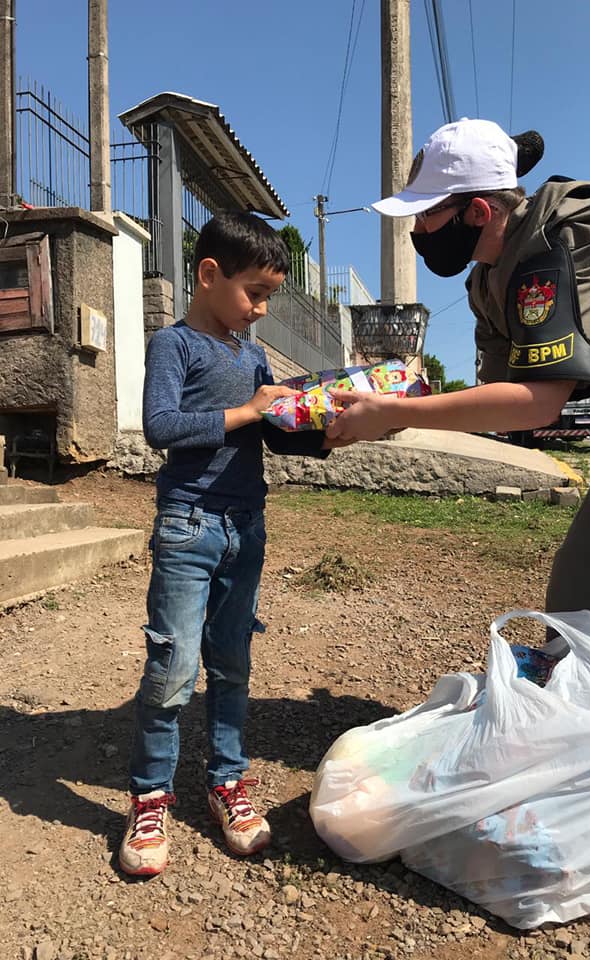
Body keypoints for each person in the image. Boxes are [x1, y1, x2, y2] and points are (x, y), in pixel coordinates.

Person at [325, 117, 590, 925]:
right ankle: (579, 761)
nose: (415, 228)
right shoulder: (488, 279)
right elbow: (514, 410)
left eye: (426, 213)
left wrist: (391, 420)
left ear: (476, 208)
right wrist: (392, 402)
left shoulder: (579, 230)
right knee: (583, 592)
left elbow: (542, 398)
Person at [119, 211, 345, 877]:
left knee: (233, 663)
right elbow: (161, 425)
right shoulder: (174, 345)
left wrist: (330, 432)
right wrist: (248, 410)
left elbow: (272, 431)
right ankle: (151, 795)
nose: (262, 309)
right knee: (172, 669)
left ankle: (226, 781)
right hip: (188, 524)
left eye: (270, 294)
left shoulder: (252, 355)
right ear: (208, 274)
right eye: (255, 293)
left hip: (247, 525)